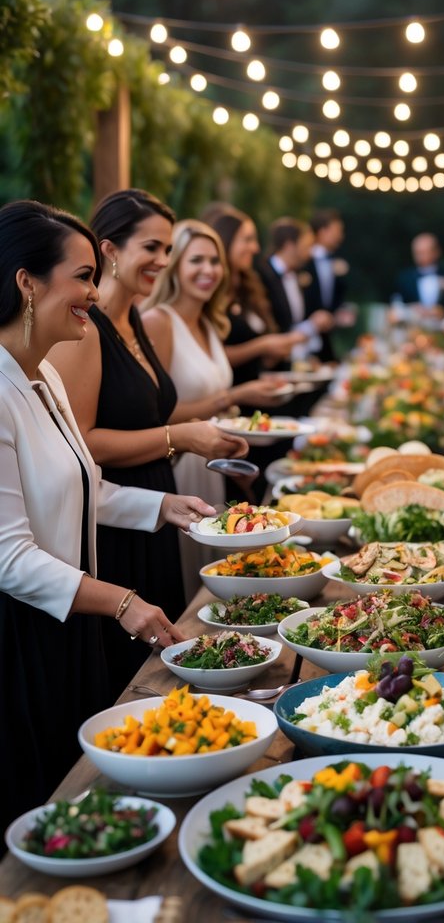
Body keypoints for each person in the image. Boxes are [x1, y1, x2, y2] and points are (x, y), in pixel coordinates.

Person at [0, 200, 215, 837]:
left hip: (69, 625)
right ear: (26, 282)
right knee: (42, 807)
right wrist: (122, 601)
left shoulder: (43, 378)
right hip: (22, 637)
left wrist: (164, 506)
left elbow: (87, 486)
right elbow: (9, 558)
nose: (94, 293)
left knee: (84, 798)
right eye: (83, 276)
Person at [48, 189, 247, 695]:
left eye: (167, 249)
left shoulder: (132, 318)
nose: (164, 260)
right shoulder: (86, 330)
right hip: (114, 524)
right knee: (136, 679)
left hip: (154, 504)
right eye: (153, 248)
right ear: (109, 250)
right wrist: (180, 437)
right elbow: (82, 444)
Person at [141, 219, 292, 595]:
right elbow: (154, 413)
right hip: (179, 465)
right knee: (191, 577)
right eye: (196, 260)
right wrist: (237, 395)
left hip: (212, 463)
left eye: (214, 261)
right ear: (174, 266)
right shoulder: (158, 321)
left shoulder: (210, 323)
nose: (208, 270)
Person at [201, 204, 306, 388]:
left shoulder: (248, 286)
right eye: (248, 240)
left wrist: (272, 355)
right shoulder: (208, 291)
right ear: (226, 240)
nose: (256, 248)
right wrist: (263, 346)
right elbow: (208, 356)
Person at [257, 217, 335, 356]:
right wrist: (311, 325)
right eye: (306, 246)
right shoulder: (262, 276)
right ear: (289, 245)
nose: (310, 253)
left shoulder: (298, 276)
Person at [303, 208, 354, 360]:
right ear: (323, 231)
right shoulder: (303, 261)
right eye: (337, 230)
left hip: (329, 336)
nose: (341, 236)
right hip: (305, 338)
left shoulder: (336, 261)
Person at [392, 233, 444, 318]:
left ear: (437, 251)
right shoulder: (404, 278)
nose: (422, 257)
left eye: (426, 252)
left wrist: (442, 310)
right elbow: (397, 304)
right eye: (418, 253)